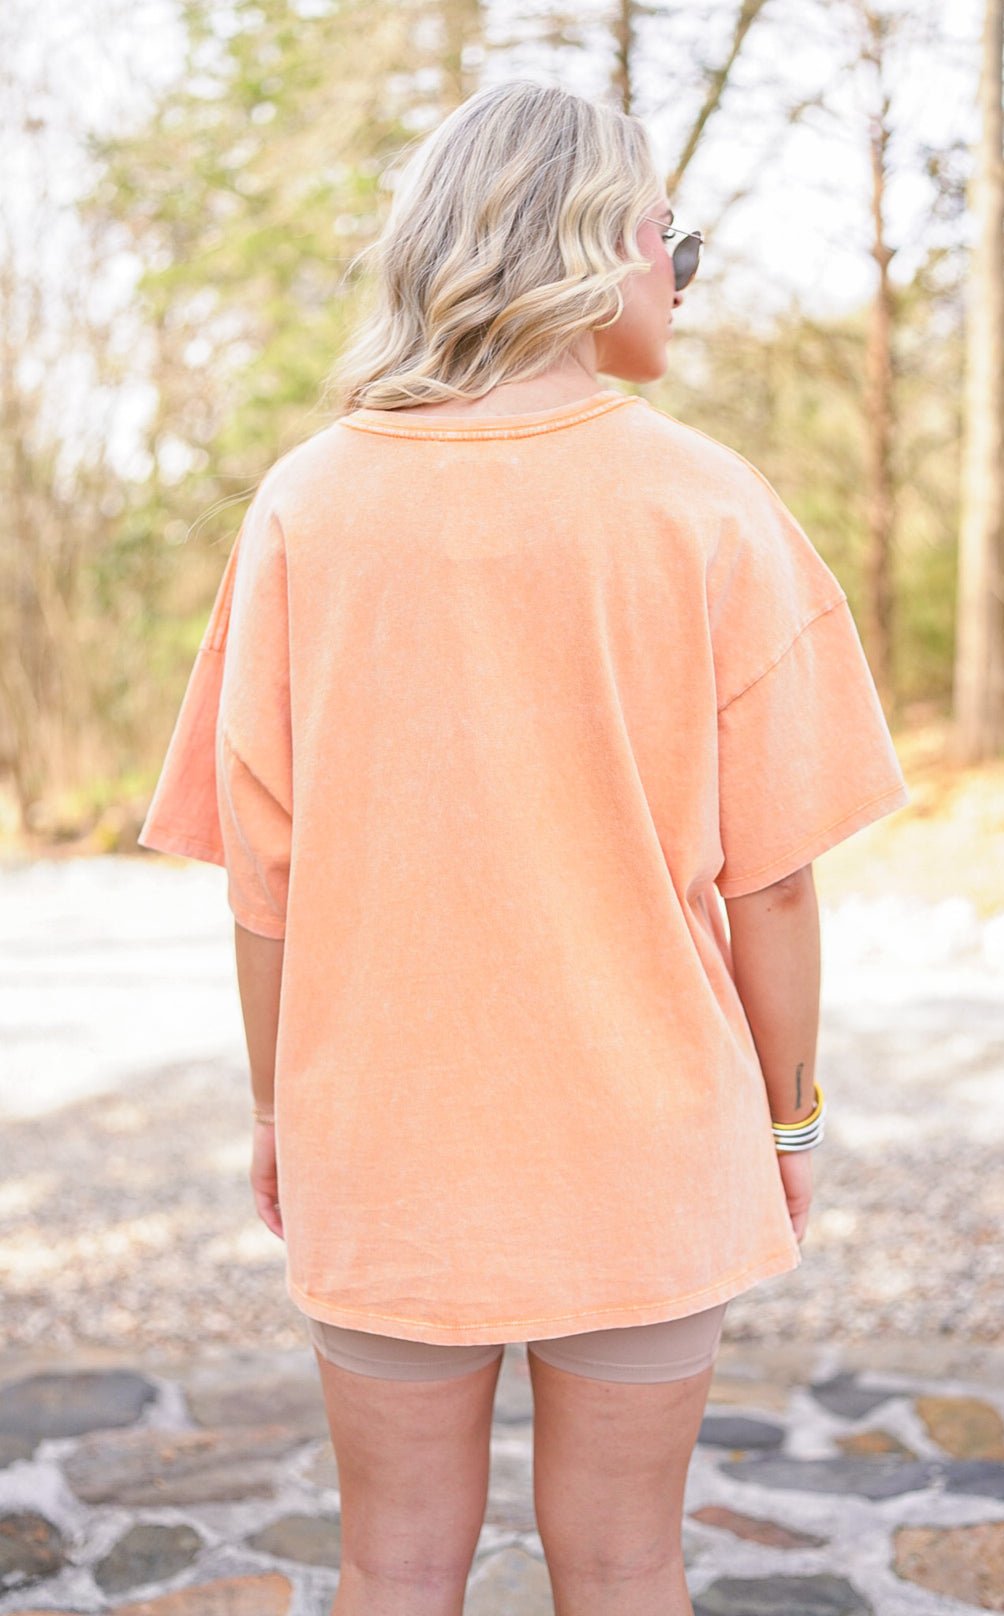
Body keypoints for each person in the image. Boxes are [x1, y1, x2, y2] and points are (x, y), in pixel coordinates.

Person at [140, 79, 906, 1616]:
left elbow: (267, 884)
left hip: (383, 1136)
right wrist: (790, 1120)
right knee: (626, 1564)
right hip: (647, 1139)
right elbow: (773, 881)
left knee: (391, 1564)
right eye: (675, 242)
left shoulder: (305, 508)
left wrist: (280, 1108)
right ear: (603, 246)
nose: (683, 277)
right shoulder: (706, 506)